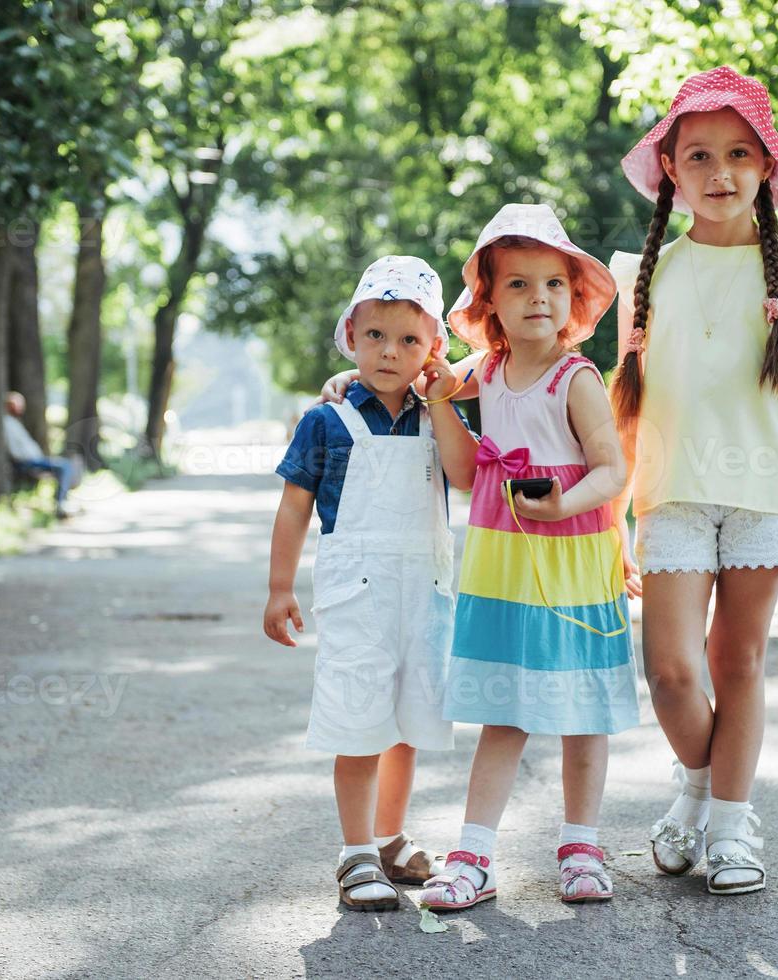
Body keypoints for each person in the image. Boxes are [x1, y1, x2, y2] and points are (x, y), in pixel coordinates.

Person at [325, 206, 639, 909]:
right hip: (501, 566)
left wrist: (563, 503)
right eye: (519, 285)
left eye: (553, 284)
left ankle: (581, 846)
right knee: (506, 711)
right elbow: (420, 380)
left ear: (573, 299)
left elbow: (610, 469)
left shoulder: (575, 377)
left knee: (580, 708)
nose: (538, 299)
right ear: (490, 303)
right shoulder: (488, 370)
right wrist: (350, 384)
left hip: (570, 560)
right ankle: (475, 853)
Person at [609, 65, 778, 895]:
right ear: (670, 170)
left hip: (766, 496)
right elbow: (621, 408)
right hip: (668, 492)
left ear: (765, 169)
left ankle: (730, 827)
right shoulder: (641, 276)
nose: (719, 174)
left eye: (738, 154)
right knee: (672, 672)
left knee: (737, 662)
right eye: (699, 156)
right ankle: (699, 790)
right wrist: (610, 518)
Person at [264, 255, 478, 912]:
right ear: (351, 337)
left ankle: (389, 838)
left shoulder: (433, 415)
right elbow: (295, 506)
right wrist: (279, 588)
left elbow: (466, 476)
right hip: (355, 597)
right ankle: (354, 852)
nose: (390, 352)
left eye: (409, 340)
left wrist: (440, 398)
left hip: (424, 596)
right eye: (375, 337)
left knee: (408, 725)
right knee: (359, 723)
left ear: (433, 349)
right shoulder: (325, 421)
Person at [2, 392, 78, 518]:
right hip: (28, 462)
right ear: (10, 406)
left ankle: (62, 501)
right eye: (18, 405)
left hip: (34, 459)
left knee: (66, 465)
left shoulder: (14, 423)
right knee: (64, 466)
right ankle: (60, 504)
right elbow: (16, 451)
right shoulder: (7, 424)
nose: (21, 408)